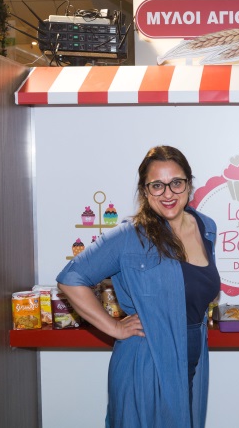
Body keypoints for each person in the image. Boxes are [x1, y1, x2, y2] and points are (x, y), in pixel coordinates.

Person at [57, 145, 220, 428]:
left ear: (189, 184)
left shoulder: (206, 227)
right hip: (147, 361)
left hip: (194, 359)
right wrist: (114, 327)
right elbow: (71, 278)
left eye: (176, 183)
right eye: (157, 185)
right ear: (145, 191)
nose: (168, 193)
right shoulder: (130, 236)